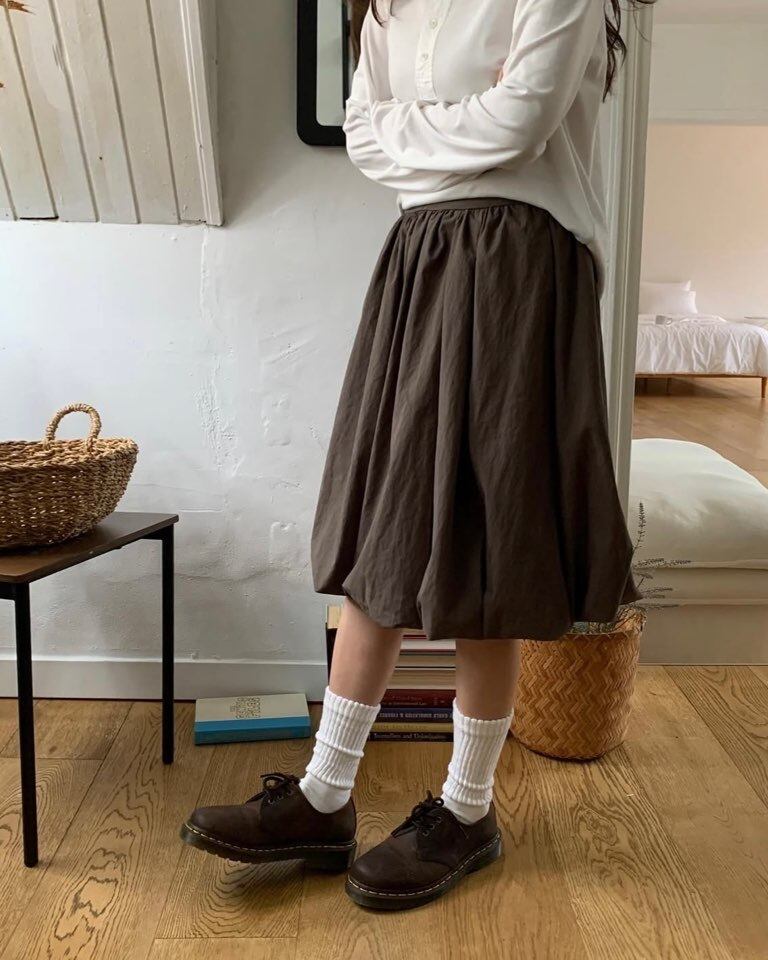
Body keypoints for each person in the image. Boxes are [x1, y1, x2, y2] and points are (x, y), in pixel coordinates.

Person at [181, 0, 652, 910]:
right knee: (386, 525)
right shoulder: (388, 6)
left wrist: (422, 132)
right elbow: (366, 137)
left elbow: (523, 120)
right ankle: (325, 795)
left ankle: (468, 808)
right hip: (422, 258)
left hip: (522, 265)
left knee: (488, 542)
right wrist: (465, 128)